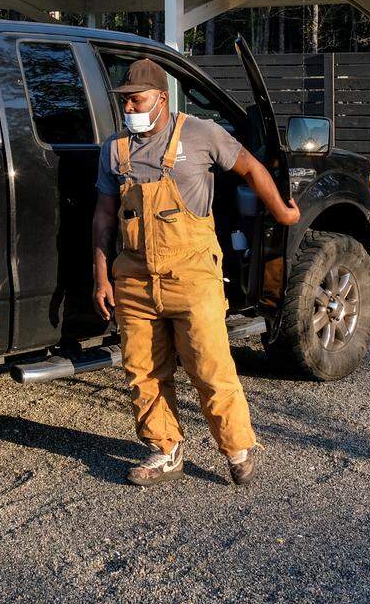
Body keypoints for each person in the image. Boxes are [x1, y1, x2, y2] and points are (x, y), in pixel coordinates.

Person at [91, 59, 301, 487]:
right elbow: (104, 216)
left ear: (161, 98)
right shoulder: (115, 150)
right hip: (133, 277)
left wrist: (283, 212)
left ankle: (237, 447)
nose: (130, 105)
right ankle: (165, 450)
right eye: (125, 99)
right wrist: (101, 276)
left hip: (192, 273)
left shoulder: (201, 132)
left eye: (138, 98)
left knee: (209, 364)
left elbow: (251, 168)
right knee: (143, 370)